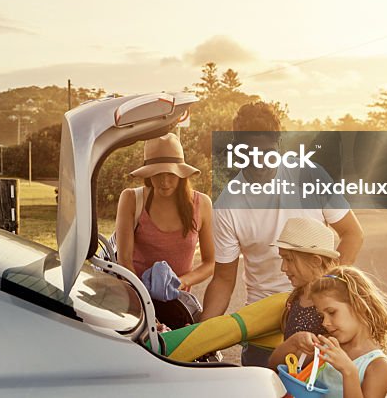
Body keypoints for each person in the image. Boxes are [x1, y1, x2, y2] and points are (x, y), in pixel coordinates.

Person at [201, 101, 364, 368]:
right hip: (264, 322)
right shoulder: (228, 205)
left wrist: (327, 293)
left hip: (319, 314)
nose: (261, 161)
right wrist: (202, 335)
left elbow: (352, 234)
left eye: (267, 152)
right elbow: (222, 279)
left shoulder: (309, 176)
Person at [114, 133, 215, 294]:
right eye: (158, 173)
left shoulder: (202, 203)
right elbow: (124, 261)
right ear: (148, 173)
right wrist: (145, 300)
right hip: (136, 300)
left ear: (181, 173)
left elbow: (210, 262)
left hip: (178, 303)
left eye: (171, 173)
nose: (165, 181)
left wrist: (181, 282)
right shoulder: (131, 199)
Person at [265, 217, 340, 371]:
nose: (283, 267)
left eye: (289, 259)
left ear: (316, 261)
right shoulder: (296, 298)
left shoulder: (336, 304)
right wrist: (292, 344)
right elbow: (275, 365)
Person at [310, 266, 387, 398]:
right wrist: (294, 342)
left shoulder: (378, 366)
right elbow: (274, 366)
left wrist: (349, 371)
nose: (324, 323)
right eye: (322, 316)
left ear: (359, 305)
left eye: (332, 312)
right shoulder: (327, 346)